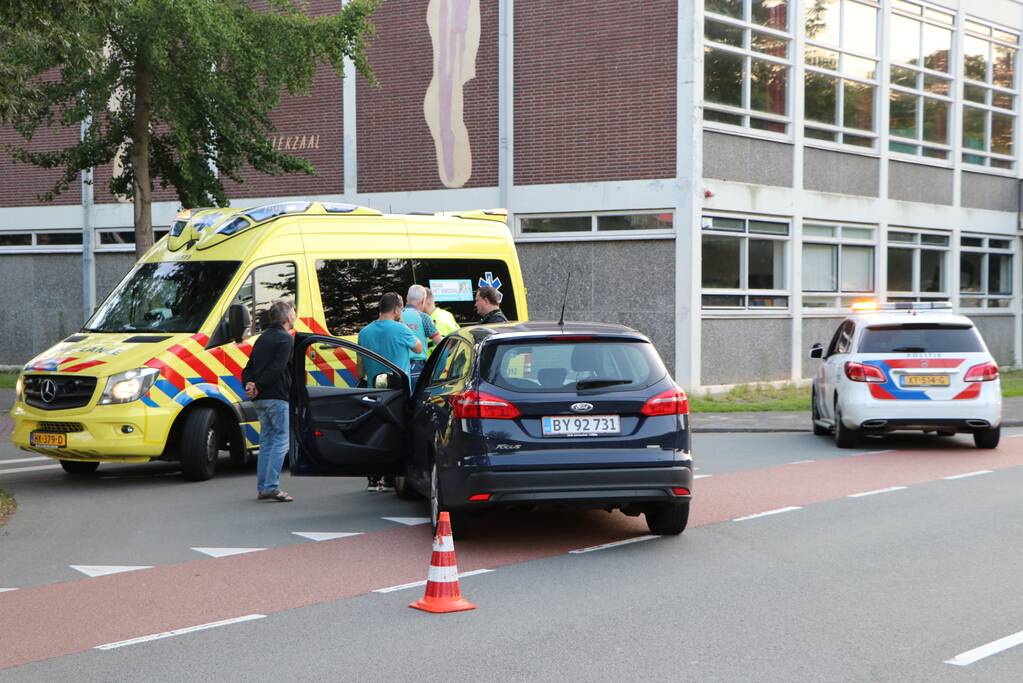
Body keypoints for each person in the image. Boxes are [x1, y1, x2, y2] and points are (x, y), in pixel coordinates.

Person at [357, 291, 422, 492]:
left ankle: (372, 478)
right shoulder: (400, 330)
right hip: (398, 392)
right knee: (397, 433)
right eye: (401, 309)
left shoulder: (364, 332)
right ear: (396, 309)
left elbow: (360, 370)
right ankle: (389, 478)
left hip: (374, 391)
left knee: (375, 433)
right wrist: (401, 323)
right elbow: (419, 349)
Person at [242, 299, 297, 503]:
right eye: (292, 312)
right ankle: (272, 487)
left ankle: (263, 486)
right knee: (281, 440)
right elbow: (278, 368)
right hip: (277, 396)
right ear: (286, 318)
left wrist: (249, 384)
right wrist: (259, 385)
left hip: (260, 399)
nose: (294, 315)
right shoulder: (285, 339)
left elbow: (248, 367)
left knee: (266, 441)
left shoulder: (262, 339)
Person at [402, 284, 442, 382]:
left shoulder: (397, 315)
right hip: (417, 369)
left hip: (397, 366)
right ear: (423, 300)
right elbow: (441, 345)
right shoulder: (424, 318)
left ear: (407, 299)